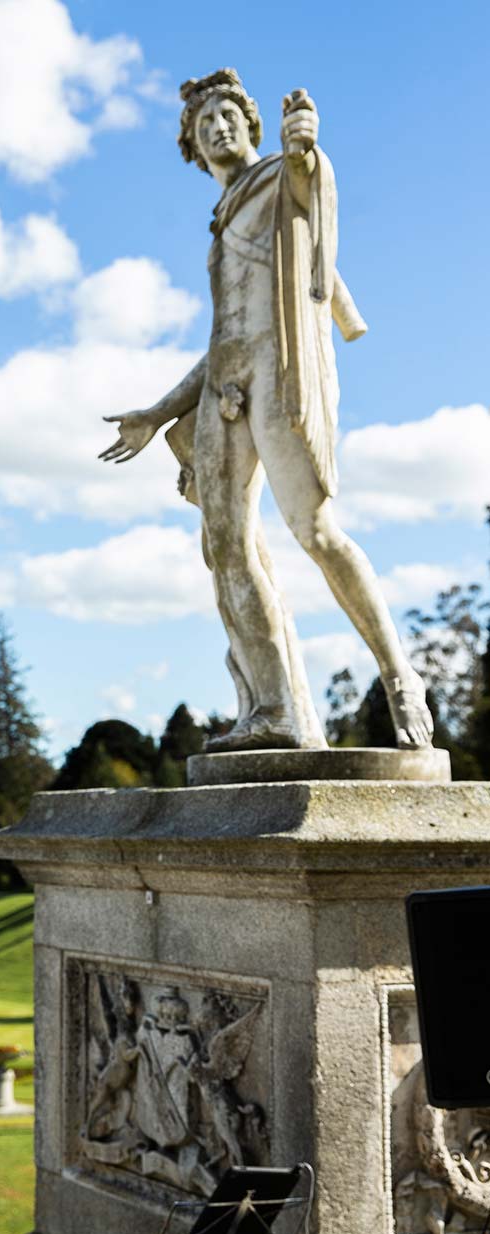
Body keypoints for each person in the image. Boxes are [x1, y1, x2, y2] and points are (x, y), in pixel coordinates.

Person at [100, 68, 433, 753]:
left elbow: (312, 185)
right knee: (225, 549)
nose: (217, 126)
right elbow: (224, 341)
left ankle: (400, 674)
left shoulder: (281, 180)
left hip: (280, 379)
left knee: (315, 531)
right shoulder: (219, 225)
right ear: (193, 150)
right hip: (227, 391)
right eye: (203, 125)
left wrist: (306, 148)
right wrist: (160, 414)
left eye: (226, 114)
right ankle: (277, 710)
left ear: (250, 124)